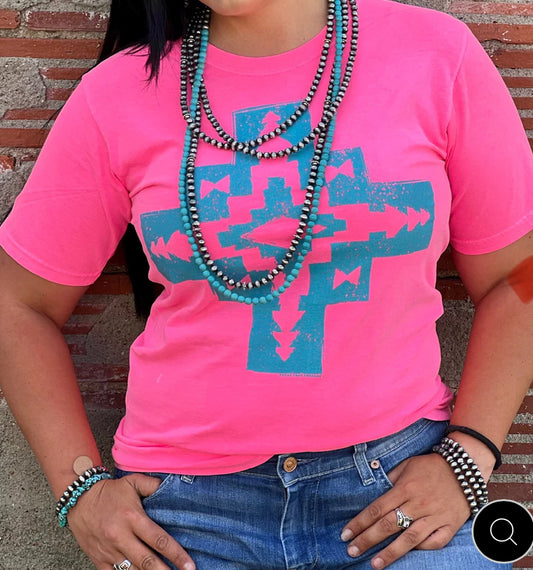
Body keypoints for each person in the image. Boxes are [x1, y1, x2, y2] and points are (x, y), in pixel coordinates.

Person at [0, 0, 532, 568]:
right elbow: (17, 302)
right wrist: (80, 492)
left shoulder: (435, 55)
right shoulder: (118, 93)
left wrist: (469, 456)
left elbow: (517, 277)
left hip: (398, 492)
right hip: (186, 519)